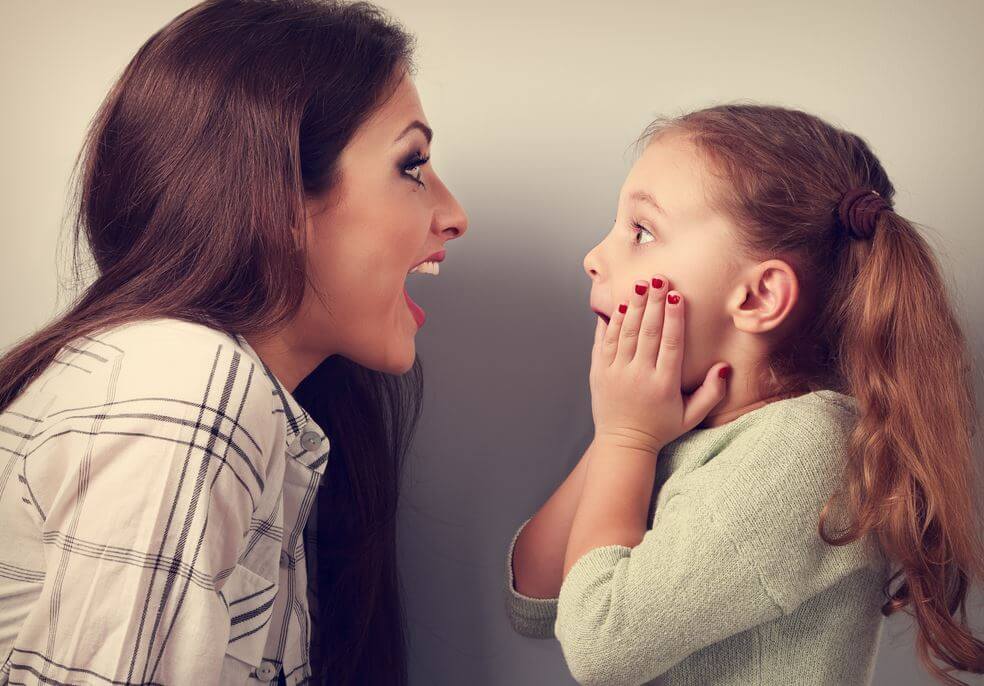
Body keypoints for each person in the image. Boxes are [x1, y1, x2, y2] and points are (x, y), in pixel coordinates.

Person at [0, 1, 466, 684]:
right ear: (277, 202)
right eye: (412, 164)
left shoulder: (239, 402)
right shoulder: (185, 388)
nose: (454, 216)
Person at [505, 104, 983, 685]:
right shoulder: (684, 432)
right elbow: (536, 597)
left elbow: (600, 644)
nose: (594, 257)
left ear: (758, 298)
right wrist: (625, 434)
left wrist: (626, 437)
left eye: (642, 231)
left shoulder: (808, 450)